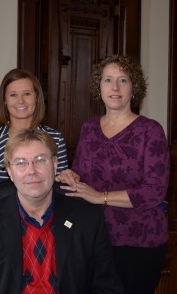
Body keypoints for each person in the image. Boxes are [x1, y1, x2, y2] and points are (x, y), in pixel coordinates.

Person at [0, 129, 123, 293]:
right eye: (21, 163)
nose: (31, 171)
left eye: (40, 160)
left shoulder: (89, 219)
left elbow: (106, 286)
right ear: (10, 172)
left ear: (55, 165)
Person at [56, 55, 170, 294]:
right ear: (99, 87)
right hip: (94, 238)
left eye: (123, 80)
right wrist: (70, 176)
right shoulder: (89, 129)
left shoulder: (151, 131)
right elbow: (82, 175)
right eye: (108, 80)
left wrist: (100, 197)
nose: (115, 87)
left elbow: (154, 192)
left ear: (134, 87)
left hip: (138, 242)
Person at [0, 68, 68, 189]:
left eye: (27, 94)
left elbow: (60, 186)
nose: (20, 101)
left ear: (36, 97)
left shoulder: (55, 138)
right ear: (5, 100)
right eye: (13, 95)